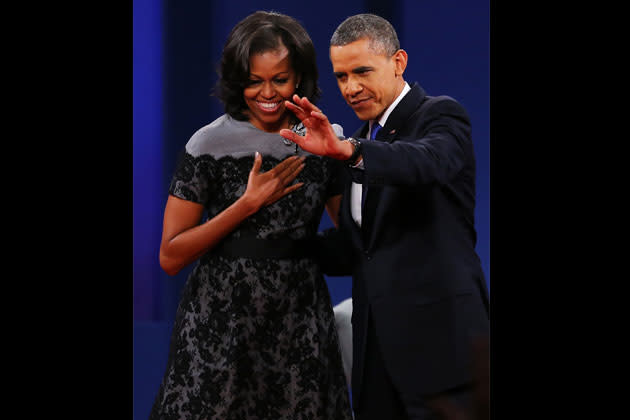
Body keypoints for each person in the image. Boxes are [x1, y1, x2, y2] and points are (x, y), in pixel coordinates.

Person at [280, 13, 490, 420]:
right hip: (376, 359)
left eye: (362, 71)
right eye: (341, 77)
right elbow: (357, 249)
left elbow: (426, 163)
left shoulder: (440, 116)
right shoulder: (357, 143)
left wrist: (352, 153)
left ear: (398, 62)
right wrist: (268, 241)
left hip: (443, 351)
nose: (351, 87)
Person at [149, 11, 353, 420]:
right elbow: (170, 257)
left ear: (300, 79)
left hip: (299, 319)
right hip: (220, 322)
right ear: (236, 80)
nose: (268, 93)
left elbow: (351, 238)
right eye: (254, 81)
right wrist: (247, 204)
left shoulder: (322, 140)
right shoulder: (208, 145)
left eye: (280, 79)